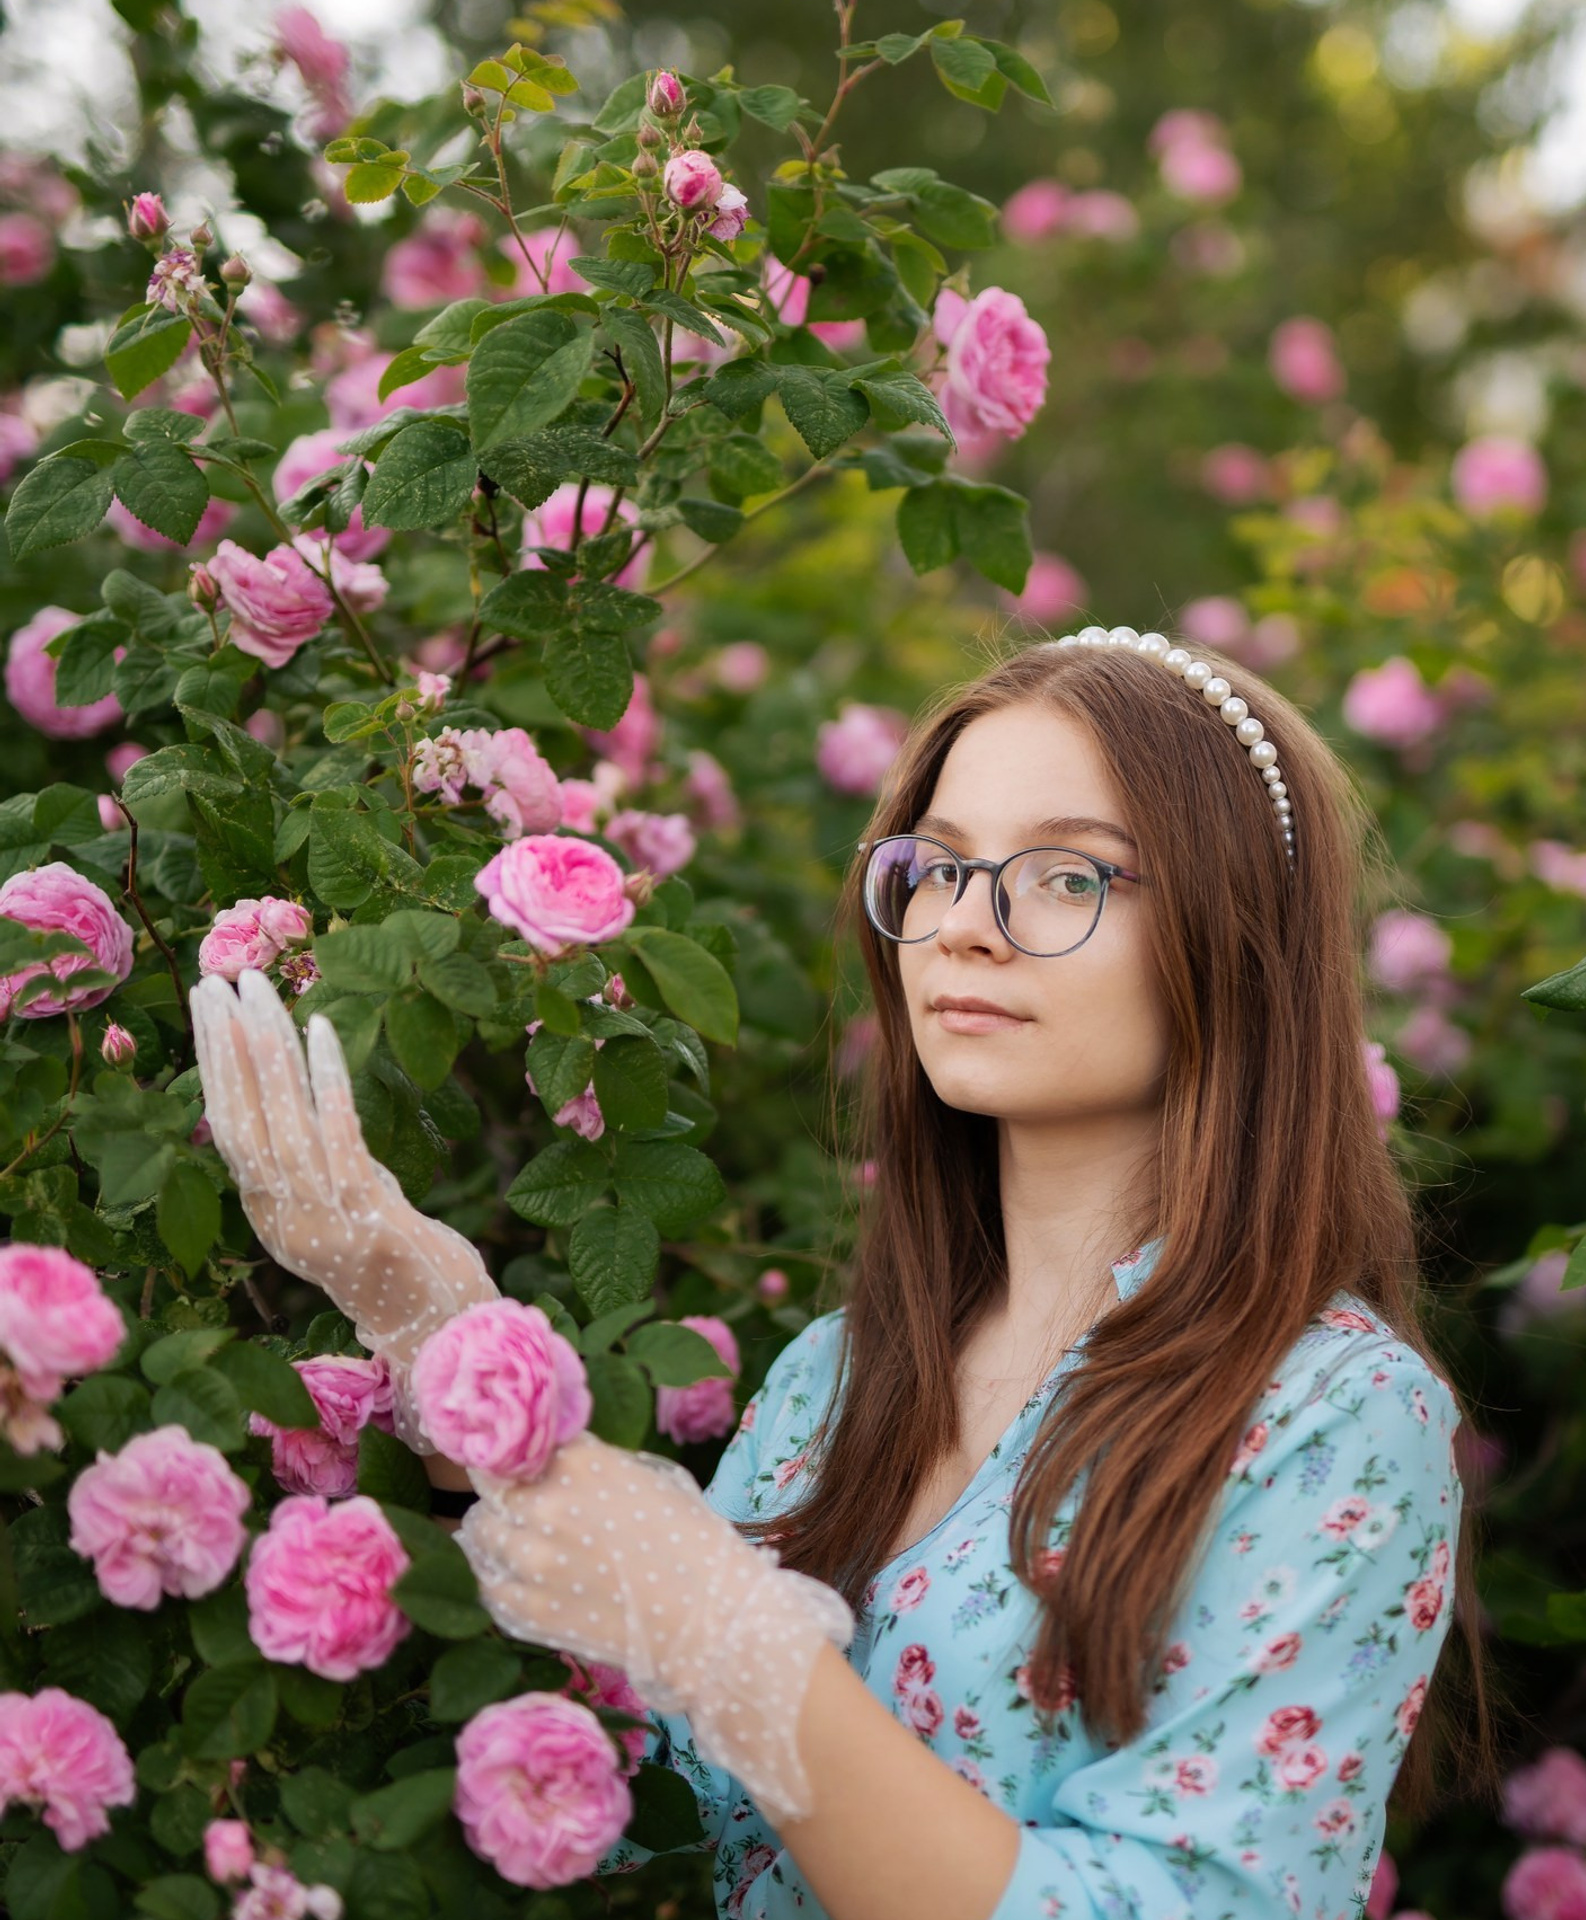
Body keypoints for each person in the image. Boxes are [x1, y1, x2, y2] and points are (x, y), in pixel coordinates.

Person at [189, 623, 1490, 1920]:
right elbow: (643, 1813)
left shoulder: (1333, 1415)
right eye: (938, 869)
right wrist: (440, 1331)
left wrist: (740, 1645)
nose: (967, 931)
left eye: (1071, 877)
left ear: (1239, 940)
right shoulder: (841, 1377)